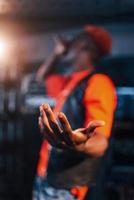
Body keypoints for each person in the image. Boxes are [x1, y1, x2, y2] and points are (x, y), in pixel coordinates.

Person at [33, 25, 117, 200]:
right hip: (47, 176)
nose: (68, 46)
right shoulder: (69, 83)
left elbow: (100, 140)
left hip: (67, 187)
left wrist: (80, 144)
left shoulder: (98, 83)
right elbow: (40, 79)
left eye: (74, 42)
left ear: (85, 47)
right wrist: (57, 53)